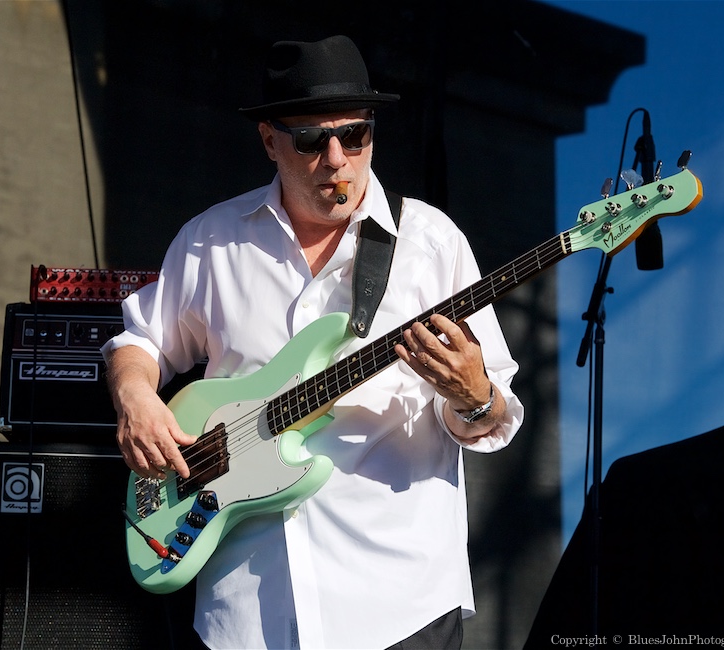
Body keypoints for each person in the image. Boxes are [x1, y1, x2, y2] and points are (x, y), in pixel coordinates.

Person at [103, 35, 524, 650]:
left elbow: (493, 414)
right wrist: (135, 395)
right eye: (310, 140)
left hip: (399, 604)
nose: (338, 160)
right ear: (269, 141)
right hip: (243, 614)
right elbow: (139, 339)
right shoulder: (210, 240)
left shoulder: (431, 243)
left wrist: (473, 393)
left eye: (355, 135)